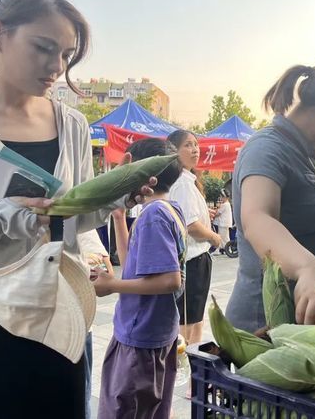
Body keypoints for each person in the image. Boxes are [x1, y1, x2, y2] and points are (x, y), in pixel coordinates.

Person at [0, 0, 154, 419]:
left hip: (55, 323)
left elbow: (71, 220)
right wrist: (1, 218)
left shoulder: (73, 124)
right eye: (44, 48)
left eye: (66, 54)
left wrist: (115, 199)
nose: (56, 67)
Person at [225, 58, 315, 332]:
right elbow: (257, 218)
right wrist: (306, 268)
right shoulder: (267, 148)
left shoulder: (314, 153)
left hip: (309, 319)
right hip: (267, 323)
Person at [95, 138, 185, 419]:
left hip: (140, 337)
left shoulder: (154, 215)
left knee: (125, 410)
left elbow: (170, 280)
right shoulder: (170, 209)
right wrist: (120, 219)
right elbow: (133, 261)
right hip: (153, 333)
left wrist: (111, 285)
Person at [167, 129, 222, 348]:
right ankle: (185, 368)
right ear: (174, 151)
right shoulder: (181, 182)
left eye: (196, 144)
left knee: (195, 320)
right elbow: (190, 226)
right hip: (192, 260)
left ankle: (190, 368)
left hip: (195, 260)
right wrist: (214, 237)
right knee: (188, 324)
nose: (195, 150)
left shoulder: (187, 181)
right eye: (188, 145)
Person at [78, 230, 114, 419]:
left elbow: (105, 271)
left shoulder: (77, 220)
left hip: (76, 328)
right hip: (30, 330)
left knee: (77, 399)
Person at [213, 189, 233, 255]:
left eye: (222, 197)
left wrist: (213, 214)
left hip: (223, 223)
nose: (221, 198)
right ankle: (226, 249)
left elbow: (218, 213)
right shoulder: (227, 204)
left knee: (221, 237)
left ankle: (219, 249)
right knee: (225, 237)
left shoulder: (225, 205)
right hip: (225, 224)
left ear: (225, 197)